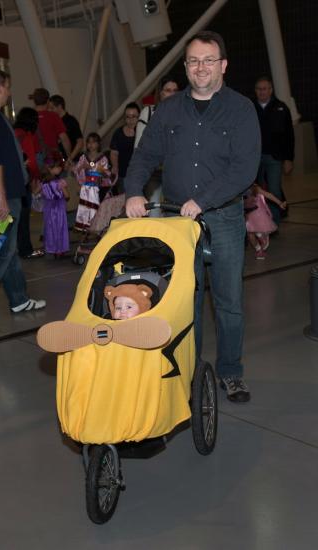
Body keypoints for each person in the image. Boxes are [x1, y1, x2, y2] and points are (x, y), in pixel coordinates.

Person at [125, 30, 261, 402]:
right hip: (178, 225)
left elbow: (244, 169)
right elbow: (144, 156)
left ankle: (230, 372)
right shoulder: (168, 110)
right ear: (186, 66)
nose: (201, 68)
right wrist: (134, 190)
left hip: (224, 220)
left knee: (228, 301)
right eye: (194, 61)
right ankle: (191, 371)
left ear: (223, 65)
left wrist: (202, 200)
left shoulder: (240, 109)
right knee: (187, 300)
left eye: (209, 60)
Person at [0, 69, 46, 313]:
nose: (9, 92)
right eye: (8, 87)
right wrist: (2, 198)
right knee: (1, 253)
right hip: (1, 199)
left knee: (8, 250)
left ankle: (18, 299)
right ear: (1, 87)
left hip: (3, 196)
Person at [134, 75, 180, 216]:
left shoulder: (184, 114)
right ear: (160, 92)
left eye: (175, 90)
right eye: (167, 90)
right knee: (154, 214)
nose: (172, 94)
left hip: (177, 174)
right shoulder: (148, 113)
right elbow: (139, 147)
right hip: (154, 173)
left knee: (177, 218)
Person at [253, 76, 294, 226]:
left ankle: (274, 223)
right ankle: (256, 224)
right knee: (254, 192)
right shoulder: (249, 107)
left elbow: (289, 135)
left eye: (265, 88)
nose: (262, 92)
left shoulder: (281, 108)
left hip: (274, 158)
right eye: (259, 89)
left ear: (271, 90)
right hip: (254, 157)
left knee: (274, 189)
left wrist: (289, 158)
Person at [14, 107, 45, 259]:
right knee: (24, 217)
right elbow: (31, 162)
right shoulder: (26, 135)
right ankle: (26, 250)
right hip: (22, 181)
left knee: (14, 217)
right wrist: (37, 177)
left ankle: (14, 249)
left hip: (11, 180)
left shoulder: (14, 133)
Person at [73, 132, 113, 231]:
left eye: (94, 142)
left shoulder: (103, 158)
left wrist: (93, 167)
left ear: (98, 144)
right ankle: (87, 228)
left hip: (98, 189)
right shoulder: (83, 157)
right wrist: (82, 168)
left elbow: (106, 173)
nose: (91, 145)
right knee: (86, 209)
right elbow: (76, 170)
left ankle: (98, 228)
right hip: (86, 189)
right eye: (89, 142)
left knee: (98, 209)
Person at [38, 151, 70, 257]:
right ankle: (60, 249)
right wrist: (65, 190)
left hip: (48, 207)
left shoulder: (42, 182)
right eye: (59, 167)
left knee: (50, 228)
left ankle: (52, 248)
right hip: (59, 207)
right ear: (51, 168)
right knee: (60, 228)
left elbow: (37, 192)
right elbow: (67, 196)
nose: (60, 169)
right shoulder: (59, 182)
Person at [245, 183, 286, 259]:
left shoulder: (255, 188)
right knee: (249, 233)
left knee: (257, 229)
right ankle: (258, 249)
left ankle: (262, 235)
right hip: (247, 215)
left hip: (258, 214)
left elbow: (268, 195)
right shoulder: (238, 188)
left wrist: (279, 202)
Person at [30, 88, 71, 163]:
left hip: (34, 159)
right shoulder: (53, 116)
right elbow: (64, 138)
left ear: (34, 101)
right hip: (51, 157)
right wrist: (69, 156)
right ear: (48, 101)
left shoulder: (27, 117)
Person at [110, 102, 140, 194]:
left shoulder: (144, 132)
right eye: (128, 117)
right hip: (123, 175)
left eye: (134, 116)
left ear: (139, 117)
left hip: (140, 174)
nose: (130, 120)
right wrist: (115, 166)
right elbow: (114, 152)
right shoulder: (118, 133)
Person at [49, 94, 83, 164]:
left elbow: (80, 142)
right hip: (58, 161)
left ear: (60, 106)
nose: (50, 111)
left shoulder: (71, 120)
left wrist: (70, 158)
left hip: (72, 161)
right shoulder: (52, 121)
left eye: (52, 108)